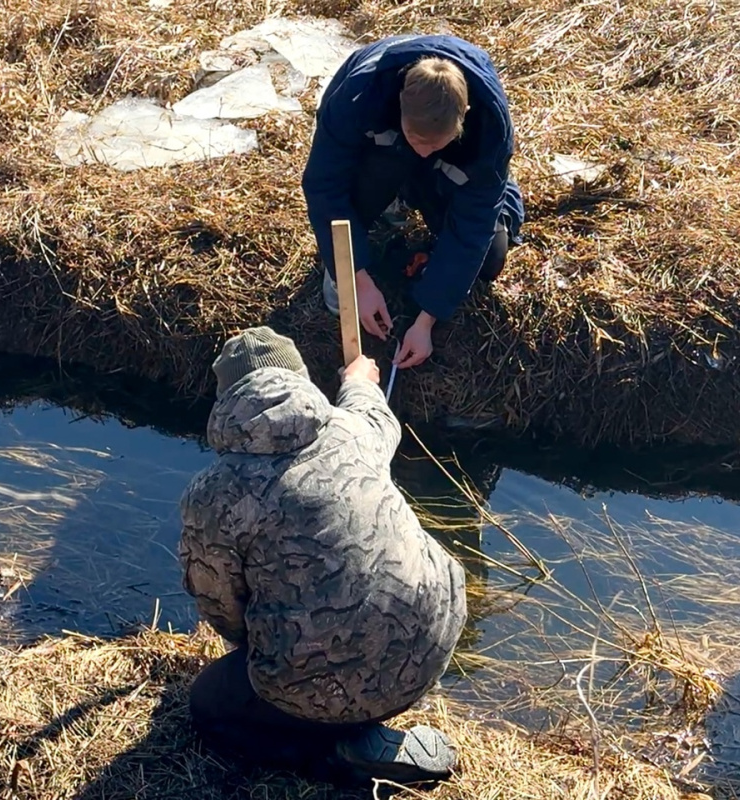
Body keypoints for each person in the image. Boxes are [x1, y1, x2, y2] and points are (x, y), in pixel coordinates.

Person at [179, 326, 467, 786]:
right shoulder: (351, 431)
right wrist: (357, 379)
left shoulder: (214, 493)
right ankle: (361, 721)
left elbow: (221, 606)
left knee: (209, 706)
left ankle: (337, 754)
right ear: (300, 380)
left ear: (227, 399)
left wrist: (261, 646)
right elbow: (372, 409)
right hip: (431, 649)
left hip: (327, 685)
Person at [302, 34, 524, 369]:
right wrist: (356, 279)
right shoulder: (359, 96)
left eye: (433, 145)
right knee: (384, 170)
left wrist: (425, 321)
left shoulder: (490, 130)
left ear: (463, 115)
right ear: (401, 105)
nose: (423, 150)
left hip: (447, 169)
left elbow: (473, 225)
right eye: (416, 139)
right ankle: (386, 198)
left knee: (491, 256)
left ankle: (421, 182)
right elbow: (324, 184)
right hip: (382, 151)